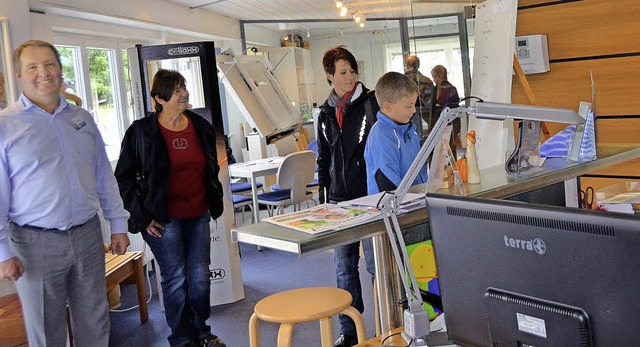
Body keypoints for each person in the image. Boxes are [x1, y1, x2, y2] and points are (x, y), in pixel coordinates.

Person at [0, 40, 130, 346]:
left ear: (60, 70)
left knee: (95, 323)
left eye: (50, 64)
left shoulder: (82, 118)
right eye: (32, 67)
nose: (43, 73)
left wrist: (119, 224)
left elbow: (103, 176)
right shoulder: (6, 126)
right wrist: (3, 253)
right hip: (34, 243)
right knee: (47, 332)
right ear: (19, 75)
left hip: (87, 235)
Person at [114, 69, 225, 347]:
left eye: (183, 87)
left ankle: (202, 332)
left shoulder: (200, 126)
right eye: (176, 90)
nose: (183, 93)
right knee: (175, 278)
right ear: (159, 99)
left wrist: (214, 199)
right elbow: (123, 178)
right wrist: (141, 218)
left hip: (198, 213)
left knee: (200, 277)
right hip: (163, 219)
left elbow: (212, 165)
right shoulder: (141, 132)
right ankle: (182, 337)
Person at [316, 46, 379, 347]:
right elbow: (323, 159)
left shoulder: (371, 103)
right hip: (339, 202)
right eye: (342, 73)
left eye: (352, 71)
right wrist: (323, 198)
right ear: (330, 76)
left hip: (369, 199)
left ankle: (387, 322)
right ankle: (349, 331)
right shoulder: (326, 113)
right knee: (344, 268)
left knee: (376, 266)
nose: (350, 78)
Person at [365, 71, 428, 195]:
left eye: (414, 105)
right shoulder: (381, 137)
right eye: (408, 106)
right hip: (394, 210)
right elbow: (389, 186)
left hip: (415, 202)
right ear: (388, 106)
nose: (414, 110)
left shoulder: (410, 131)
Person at [431, 64, 461, 156]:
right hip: (454, 122)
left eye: (433, 77)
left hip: (440, 122)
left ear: (437, 76)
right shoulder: (453, 89)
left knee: (440, 149)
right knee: (452, 147)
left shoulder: (434, 90)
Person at [404, 55, 434, 136]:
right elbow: (429, 104)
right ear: (418, 65)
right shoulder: (427, 81)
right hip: (426, 120)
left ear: (406, 66)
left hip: (405, 119)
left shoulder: (400, 82)